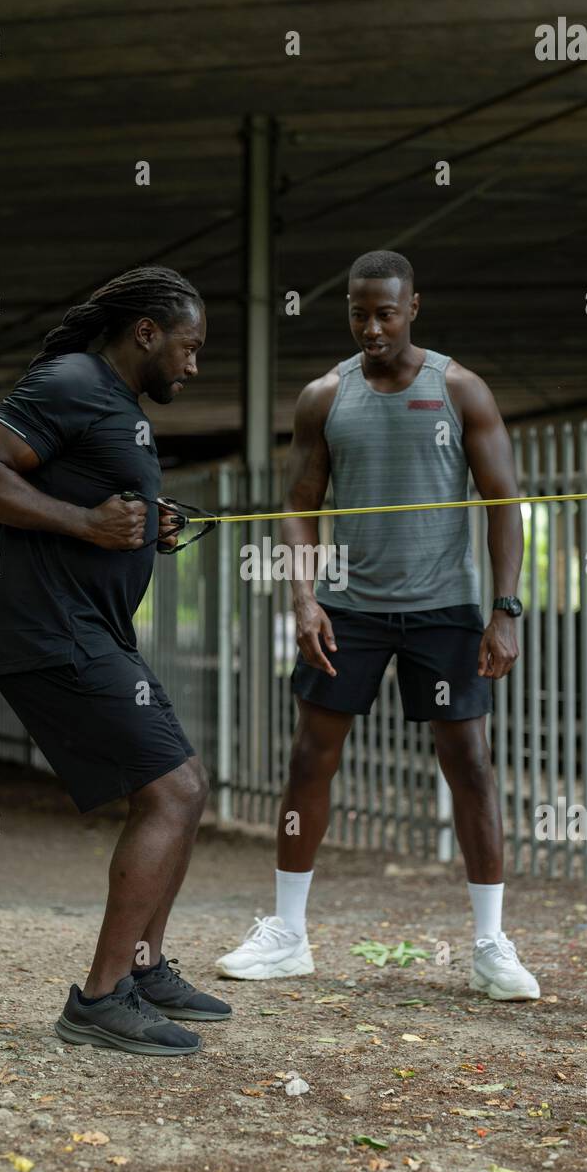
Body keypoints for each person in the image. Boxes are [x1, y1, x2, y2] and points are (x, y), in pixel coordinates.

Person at [217, 250, 539, 1000]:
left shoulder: (459, 389)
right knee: (308, 759)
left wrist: (505, 609)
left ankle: (490, 944)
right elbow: (298, 504)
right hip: (350, 606)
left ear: (413, 307)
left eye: (384, 312)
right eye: (358, 313)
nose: (371, 327)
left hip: (444, 609)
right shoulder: (324, 396)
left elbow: (502, 503)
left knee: (468, 765)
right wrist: (302, 598)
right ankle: (288, 935)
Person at [0, 266, 231, 1057]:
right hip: (51, 633)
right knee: (171, 793)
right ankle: (101, 998)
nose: (193, 365)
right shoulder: (72, 380)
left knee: (187, 787)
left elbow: (104, 508)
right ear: (146, 333)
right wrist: (84, 522)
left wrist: (148, 526)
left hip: (92, 632)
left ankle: (142, 969)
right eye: (189, 346)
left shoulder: (115, 406)